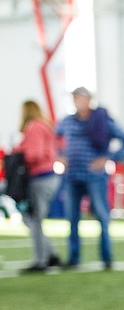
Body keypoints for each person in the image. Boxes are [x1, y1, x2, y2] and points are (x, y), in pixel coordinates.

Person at [55, 87, 124, 269]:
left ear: (88, 99)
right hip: (72, 176)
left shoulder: (101, 120)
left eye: (79, 98)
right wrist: (60, 156)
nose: (76, 101)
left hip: (94, 177)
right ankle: (74, 258)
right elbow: (55, 139)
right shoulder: (67, 121)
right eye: (74, 98)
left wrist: (108, 158)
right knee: (72, 218)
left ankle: (106, 257)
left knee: (102, 216)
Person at [14, 99, 63, 272]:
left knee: (34, 219)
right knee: (35, 219)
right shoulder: (45, 125)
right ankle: (51, 254)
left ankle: (40, 260)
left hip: (40, 177)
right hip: (48, 176)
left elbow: (35, 154)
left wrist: (18, 153)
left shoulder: (34, 127)